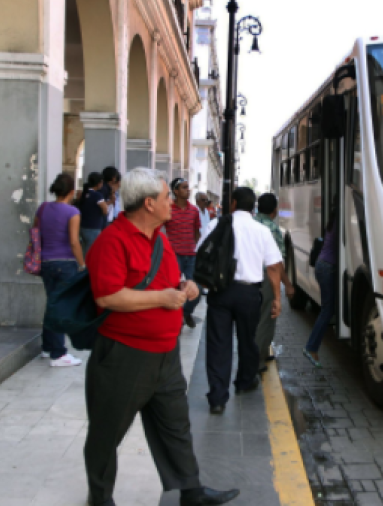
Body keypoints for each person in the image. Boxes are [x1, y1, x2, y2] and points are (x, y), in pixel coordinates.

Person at [84, 168, 239, 506]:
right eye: (168, 197)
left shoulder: (161, 239)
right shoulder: (113, 240)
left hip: (165, 354)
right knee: (106, 432)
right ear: (150, 203)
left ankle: (191, 491)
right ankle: (99, 498)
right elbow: (108, 297)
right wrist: (163, 298)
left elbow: (172, 281)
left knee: (176, 426)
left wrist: (186, 286)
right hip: (125, 354)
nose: (173, 203)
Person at [199, 187, 283, 414]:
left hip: (221, 292)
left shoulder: (215, 225)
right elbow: (274, 266)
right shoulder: (262, 230)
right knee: (249, 340)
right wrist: (276, 297)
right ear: (252, 206)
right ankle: (245, 381)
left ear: (233, 203)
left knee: (218, 344)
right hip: (249, 293)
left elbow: (201, 254)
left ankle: (217, 397)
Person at [37, 173, 85, 367]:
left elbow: (35, 232)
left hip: (46, 261)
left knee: (51, 303)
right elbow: (74, 241)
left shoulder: (43, 208)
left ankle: (47, 347)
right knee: (61, 306)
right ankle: (58, 353)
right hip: (65, 263)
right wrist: (82, 263)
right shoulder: (72, 212)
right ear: (72, 192)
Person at [253, 193, 295, 372]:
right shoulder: (272, 229)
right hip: (265, 280)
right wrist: (287, 284)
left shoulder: (252, 224)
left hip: (248, 280)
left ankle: (259, 352)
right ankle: (257, 359)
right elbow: (276, 264)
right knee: (266, 320)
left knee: (254, 319)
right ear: (274, 210)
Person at [164, 178, 201, 328]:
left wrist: (198, 249)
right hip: (174, 256)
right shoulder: (168, 208)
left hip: (191, 255)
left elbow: (197, 232)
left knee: (197, 290)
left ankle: (186, 312)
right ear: (176, 191)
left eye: (188, 187)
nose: (188, 189)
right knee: (172, 288)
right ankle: (174, 319)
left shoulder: (194, 210)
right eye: (184, 187)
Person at [303, 207, 338, 368]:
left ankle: (312, 347)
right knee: (327, 309)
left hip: (322, 265)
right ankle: (311, 347)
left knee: (328, 308)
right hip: (327, 268)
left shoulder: (332, 221)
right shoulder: (340, 222)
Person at [78, 172, 108, 255]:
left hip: (82, 226)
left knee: (84, 249)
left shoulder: (83, 194)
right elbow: (105, 210)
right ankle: (86, 267)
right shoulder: (98, 196)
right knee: (91, 252)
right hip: (93, 227)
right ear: (99, 184)